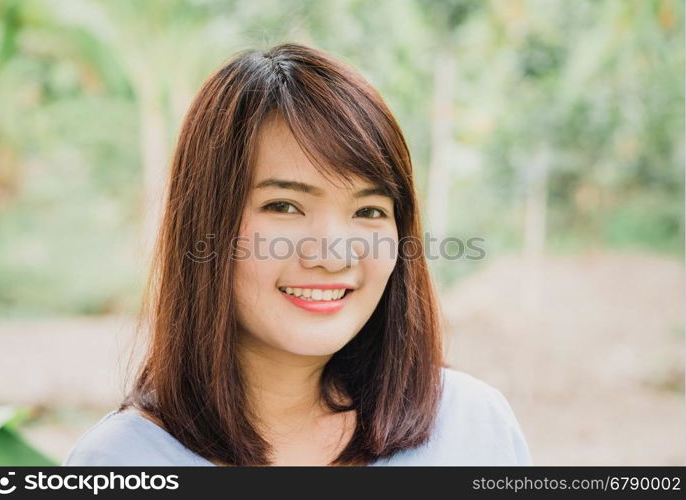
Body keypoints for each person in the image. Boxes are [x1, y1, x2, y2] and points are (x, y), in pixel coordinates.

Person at [62, 43, 532, 467]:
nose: (332, 254)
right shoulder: (118, 462)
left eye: (369, 210)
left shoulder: (472, 428)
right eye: (284, 206)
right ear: (205, 224)